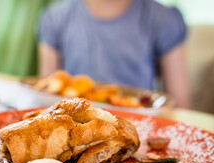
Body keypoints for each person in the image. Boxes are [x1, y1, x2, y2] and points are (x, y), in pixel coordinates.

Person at [38, 0, 189, 108]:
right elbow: (45, 92)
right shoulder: (54, 17)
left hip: (139, 123)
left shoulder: (163, 19)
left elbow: (179, 106)